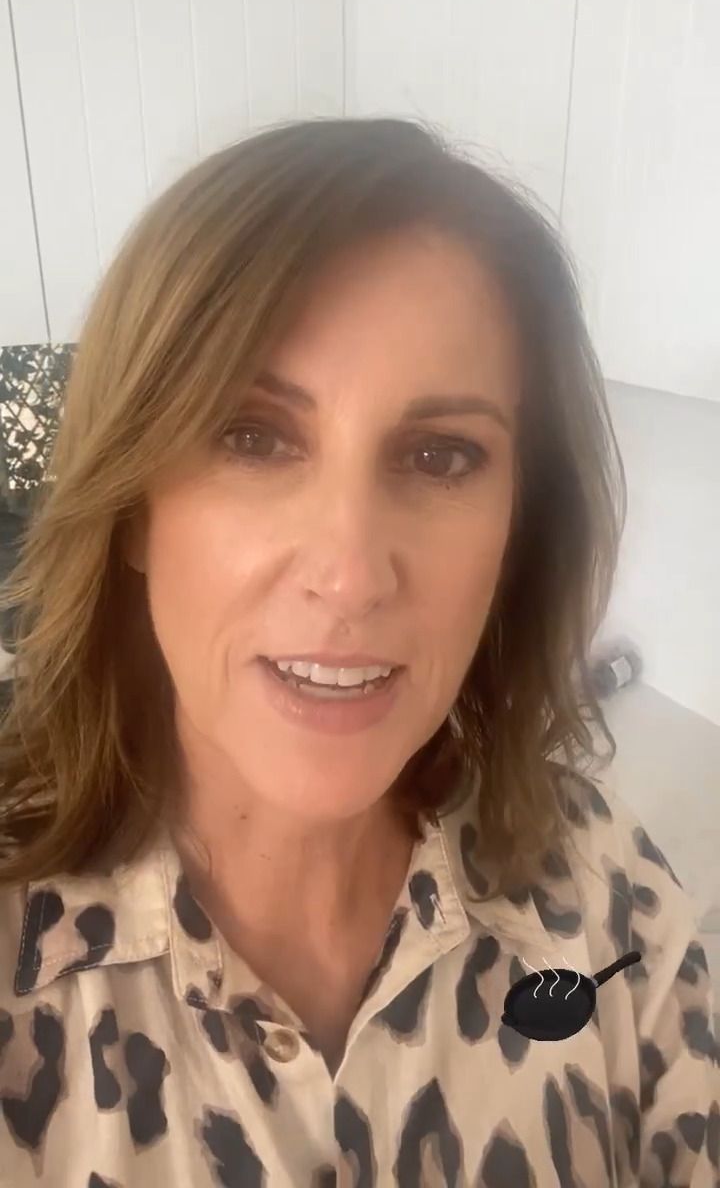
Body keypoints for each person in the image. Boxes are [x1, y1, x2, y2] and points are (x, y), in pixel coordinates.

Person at [0, 116, 716, 1187]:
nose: (350, 575)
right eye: (251, 436)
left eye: (441, 455)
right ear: (132, 509)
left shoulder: (607, 895)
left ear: (518, 528)